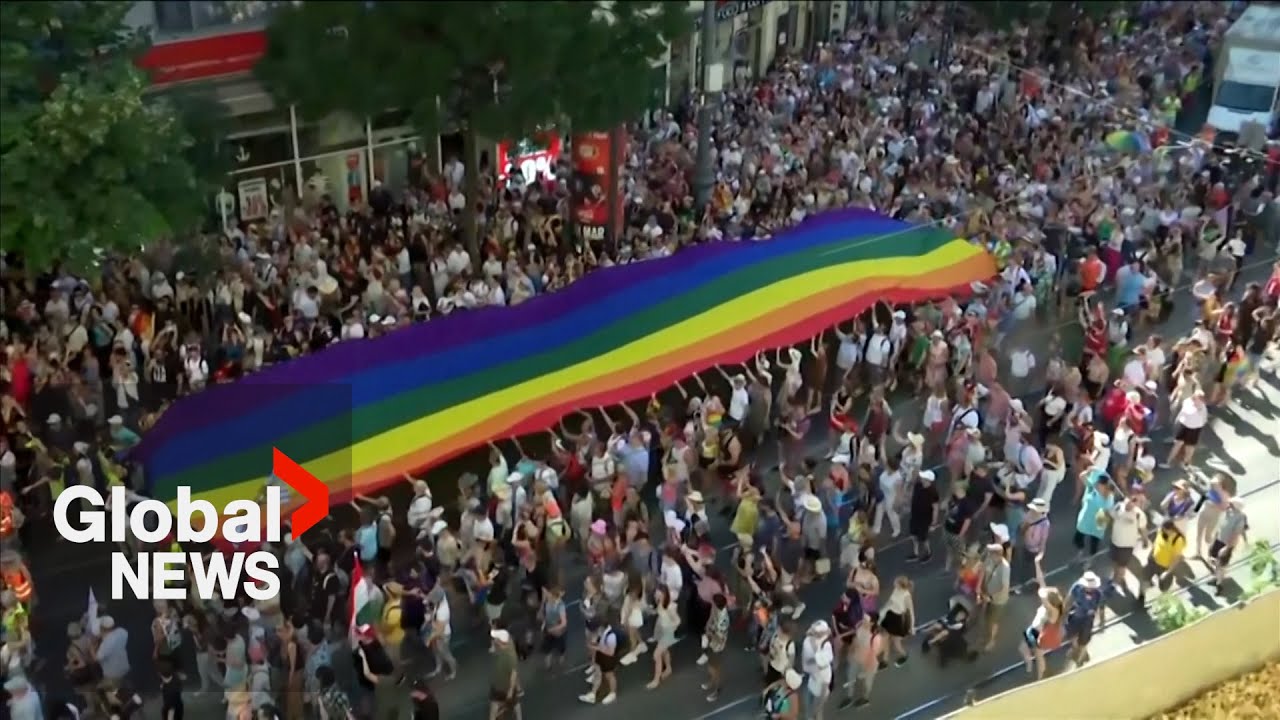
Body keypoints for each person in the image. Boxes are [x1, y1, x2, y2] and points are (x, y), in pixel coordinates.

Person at [488, 628, 521, 720]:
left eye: (496, 639)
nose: (494, 640)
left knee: (514, 703)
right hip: (497, 684)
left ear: (500, 641)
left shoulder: (510, 656)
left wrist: (511, 690)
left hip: (505, 686)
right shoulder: (502, 646)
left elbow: (514, 674)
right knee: (496, 705)